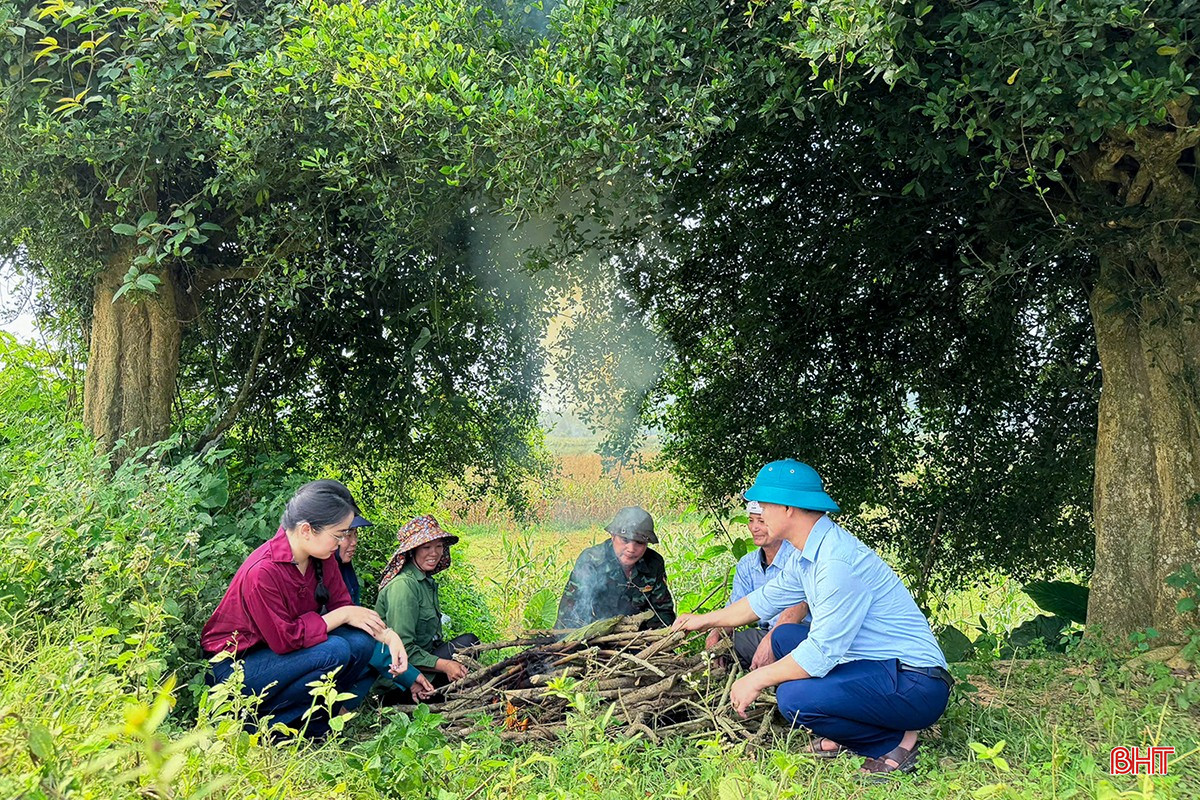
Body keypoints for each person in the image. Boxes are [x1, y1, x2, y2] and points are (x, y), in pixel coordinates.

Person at [673, 459, 952, 776]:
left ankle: (895, 741)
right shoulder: (808, 554)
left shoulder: (836, 562)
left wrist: (755, 679)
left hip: (915, 681)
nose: (759, 513)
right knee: (782, 637)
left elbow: (821, 653)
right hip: (879, 668)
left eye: (765, 504)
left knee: (793, 697)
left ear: (789, 508)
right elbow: (762, 601)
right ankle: (853, 732)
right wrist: (703, 620)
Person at [201, 480, 410, 738]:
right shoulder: (263, 571)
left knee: (361, 642)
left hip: (280, 657)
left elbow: (345, 607)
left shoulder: (321, 557)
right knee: (335, 651)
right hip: (236, 669)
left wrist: (389, 637)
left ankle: (312, 722)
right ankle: (262, 727)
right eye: (339, 534)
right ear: (307, 530)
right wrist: (343, 614)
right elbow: (286, 639)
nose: (342, 541)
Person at [374, 515, 479, 700]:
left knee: (470, 643)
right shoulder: (403, 586)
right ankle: (428, 696)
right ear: (413, 550)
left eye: (439, 546)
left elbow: (430, 642)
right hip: (400, 678)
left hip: (420, 660)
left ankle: (445, 692)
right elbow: (402, 651)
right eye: (426, 547)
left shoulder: (424, 581)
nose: (435, 553)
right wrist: (446, 665)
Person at [704, 500, 810, 669]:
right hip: (764, 634)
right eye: (751, 520)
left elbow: (796, 610)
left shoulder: (796, 557)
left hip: (798, 634)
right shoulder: (748, 564)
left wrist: (769, 642)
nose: (754, 528)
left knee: (779, 641)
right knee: (721, 648)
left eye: (761, 521)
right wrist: (716, 632)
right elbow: (735, 606)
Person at [556, 506, 676, 629]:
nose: (631, 549)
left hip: (638, 638)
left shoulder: (653, 563)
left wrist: (658, 638)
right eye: (625, 540)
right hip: (595, 637)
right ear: (613, 535)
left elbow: (663, 612)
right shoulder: (592, 560)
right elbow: (570, 613)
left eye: (639, 543)